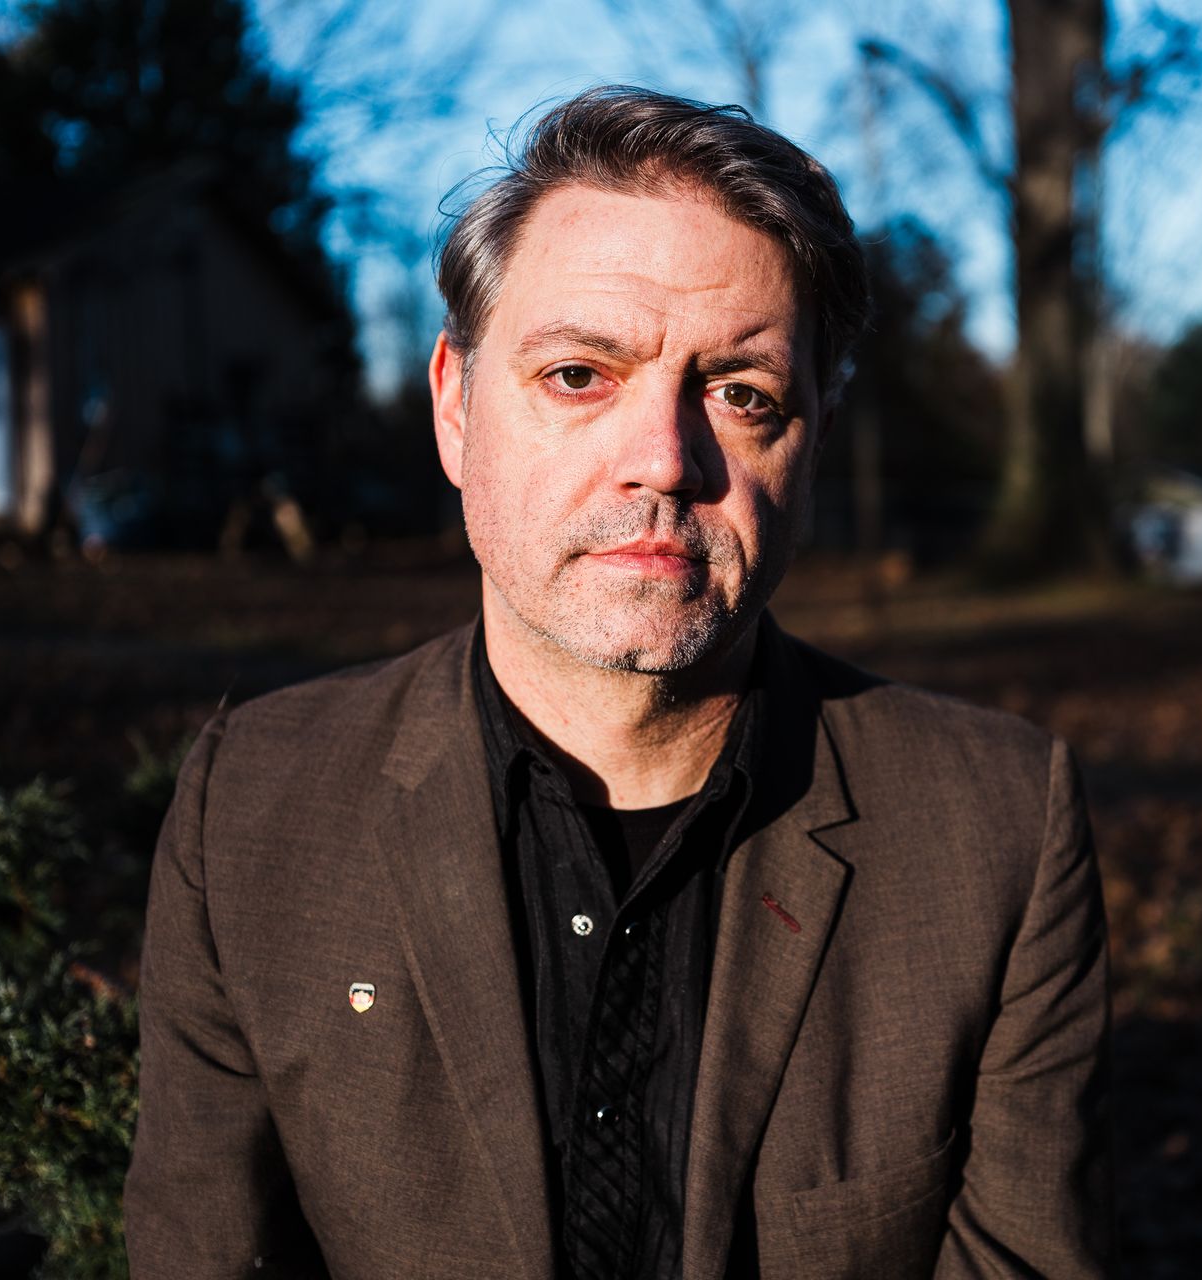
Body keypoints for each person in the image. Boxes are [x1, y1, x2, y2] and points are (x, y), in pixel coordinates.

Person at [124, 86, 1113, 1280]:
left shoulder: (994, 830)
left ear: (812, 440)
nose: (663, 458)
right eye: (579, 374)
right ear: (454, 406)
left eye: (741, 394)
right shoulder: (255, 807)